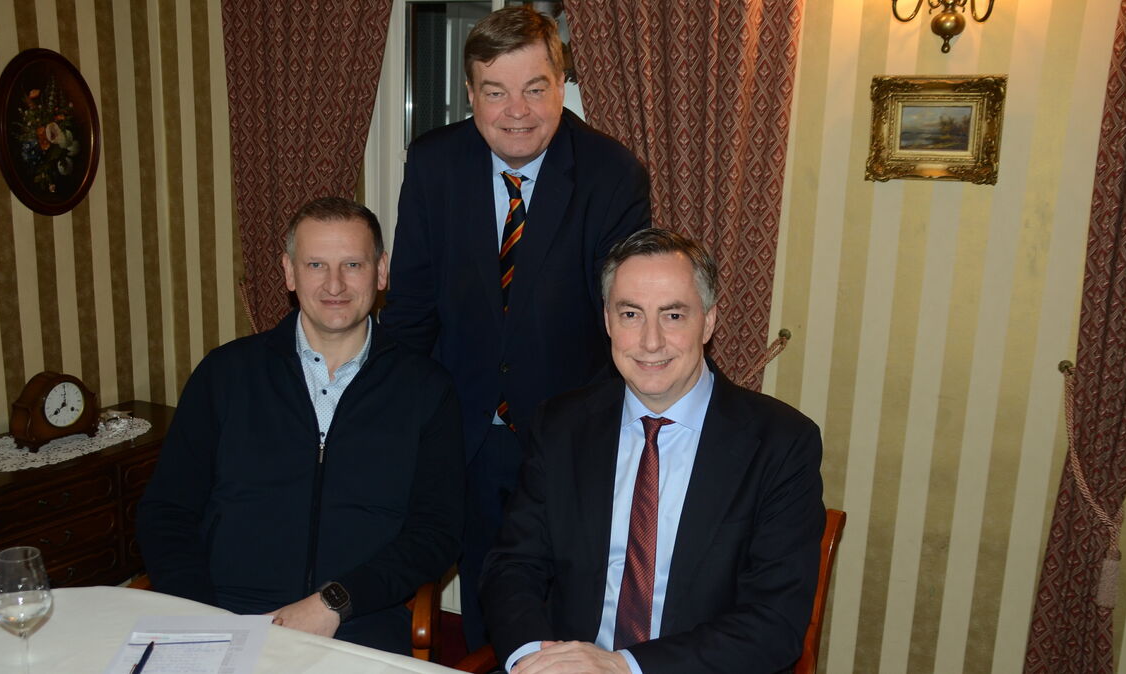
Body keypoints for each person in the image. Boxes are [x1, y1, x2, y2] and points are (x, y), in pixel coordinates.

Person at [380, 5, 651, 650]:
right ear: (470, 95)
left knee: (566, 605)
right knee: (483, 599)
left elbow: (627, 317)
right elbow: (412, 310)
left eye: (536, 88)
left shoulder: (613, 175)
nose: (517, 111)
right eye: (495, 91)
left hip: (570, 434)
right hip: (464, 430)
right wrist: (395, 423)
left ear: (563, 85)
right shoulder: (434, 164)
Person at [480, 229, 826, 673]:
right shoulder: (561, 425)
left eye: (674, 315)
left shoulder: (781, 443)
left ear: (710, 320)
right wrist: (534, 658)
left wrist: (624, 667)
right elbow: (512, 566)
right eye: (631, 314)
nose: (650, 342)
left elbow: (773, 624)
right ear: (607, 321)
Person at [136, 197, 463, 654]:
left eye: (353, 264)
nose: (334, 284)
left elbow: (437, 532)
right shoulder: (225, 375)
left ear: (381, 271)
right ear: (289, 272)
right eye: (315, 265)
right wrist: (205, 617)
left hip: (356, 625)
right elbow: (167, 512)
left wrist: (335, 603)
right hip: (223, 615)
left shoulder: (427, 389)